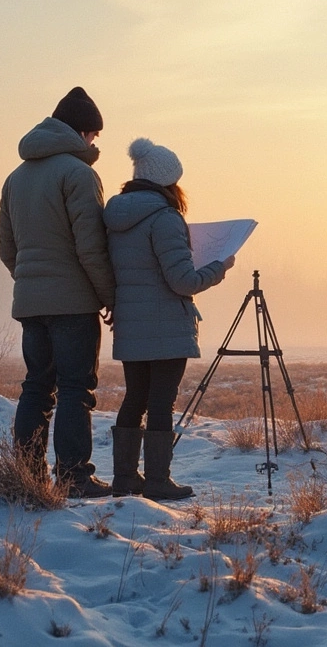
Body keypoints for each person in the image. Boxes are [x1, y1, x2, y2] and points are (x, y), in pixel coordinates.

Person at [0, 86, 117, 498]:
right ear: (82, 132)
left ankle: (27, 476)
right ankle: (74, 477)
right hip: (73, 304)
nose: (95, 143)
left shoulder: (16, 178)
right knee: (74, 389)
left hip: (30, 305)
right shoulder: (79, 175)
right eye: (93, 136)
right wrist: (109, 297)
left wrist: (30, 283)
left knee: (36, 387)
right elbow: (91, 247)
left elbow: (7, 248)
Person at [103, 138, 234, 500]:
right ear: (168, 182)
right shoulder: (164, 218)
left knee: (135, 398)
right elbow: (182, 281)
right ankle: (158, 481)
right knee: (161, 402)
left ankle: (125, 478)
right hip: (166, 327)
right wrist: (218, 268)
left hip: (131, 324)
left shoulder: (114, 218)